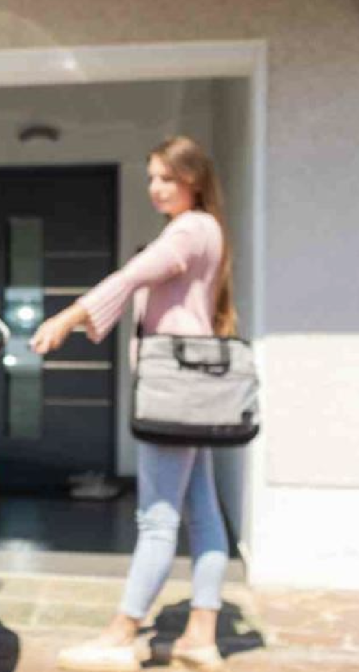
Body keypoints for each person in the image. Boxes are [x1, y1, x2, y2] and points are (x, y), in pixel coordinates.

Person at [30, 136, 236, 672]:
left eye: (166, 177)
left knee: (157, 519)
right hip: (194, 389)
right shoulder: (209, 231)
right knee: (204, 514)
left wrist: (68, 318)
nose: (155, 188)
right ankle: (201, 636)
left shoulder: (190, 230)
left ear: (193, 178)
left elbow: (133, 276)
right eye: (151, 178)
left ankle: (122, 635)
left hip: (173, 389)